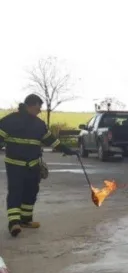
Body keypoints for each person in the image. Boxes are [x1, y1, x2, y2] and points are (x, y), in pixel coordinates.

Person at [0, 94, 77, 237]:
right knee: (16, 192)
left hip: (33, 165)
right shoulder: (9, 121)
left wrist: (69, 151)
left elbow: (52, 141)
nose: (40, 110)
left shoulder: (38, 124)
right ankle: (14, 223)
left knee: (31, 192)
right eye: (39, 107)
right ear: (31, 105)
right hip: (15, 165)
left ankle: (26, 220)